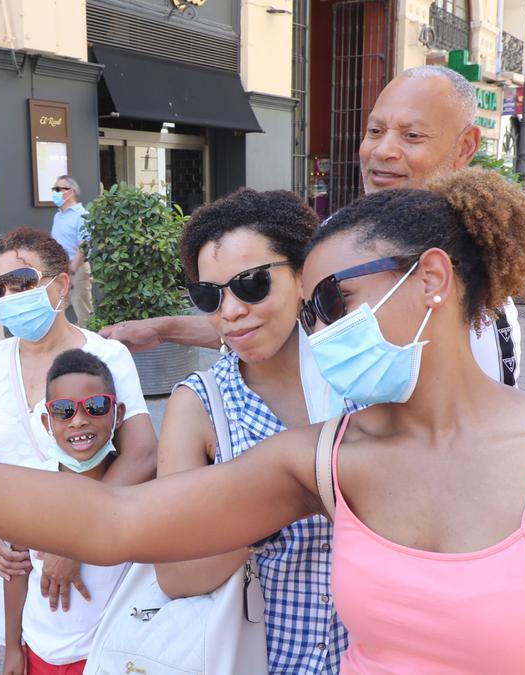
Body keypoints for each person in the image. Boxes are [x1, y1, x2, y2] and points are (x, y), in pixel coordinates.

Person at [0, 169, 525, 672]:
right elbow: (119, 521)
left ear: (432, 279)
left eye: (329, 303)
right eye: (313, 311)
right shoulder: (329, 459)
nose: (319, 330)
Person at [102, 65, 523, 396]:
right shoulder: (340, 236)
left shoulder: (463, 273)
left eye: (412, 136)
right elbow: (275, 324)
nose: (383, 151)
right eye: (375, 131)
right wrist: (162, 329)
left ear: (465, 146)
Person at [159, 188, 345, 672]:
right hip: (261, 657)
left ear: (304, 275)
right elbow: (176, 572)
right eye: (209, 295)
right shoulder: (199, 404)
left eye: (252, 284)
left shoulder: (362, 378)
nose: (230, 311)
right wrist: (279, 501)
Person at [0, 227, 156, 651]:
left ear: (61, 285)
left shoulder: (106, 357)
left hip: (85, 556)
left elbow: (141, 455)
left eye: (24, 283)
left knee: (90, 656)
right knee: (17, 653)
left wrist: (73, 540)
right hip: (7, 560)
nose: (11, 296)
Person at [4, 349, 130, 675]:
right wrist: (12, 648)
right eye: (63, 410)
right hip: (39, 651)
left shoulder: (136, 487)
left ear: (117, 413)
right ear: (47, 421)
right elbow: (17, 572)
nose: (79, 419)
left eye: (96, 406)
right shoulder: (31, 486)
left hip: (109, 654)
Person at [50, 175, 93, 327]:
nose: (54, 192)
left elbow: (85, 245)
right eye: (53, 189)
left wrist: (72, 271)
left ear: (71, 192)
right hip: (60, 270)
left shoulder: (82, 215)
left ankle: (91, 347)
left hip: (76, 270)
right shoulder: (58, 216)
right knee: (55, 311)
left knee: (84, 314)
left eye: (58, 189)